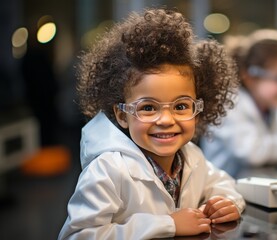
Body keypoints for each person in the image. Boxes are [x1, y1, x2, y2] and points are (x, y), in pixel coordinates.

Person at [58, 8, 245, 239]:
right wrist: (167, 224)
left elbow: (223, 183)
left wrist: (226, 202)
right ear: (122, 116)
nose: (166, 120)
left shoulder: (190, 156)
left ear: (197, 110)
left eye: (180, 106)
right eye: (148, 108)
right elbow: (78, 235)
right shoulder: (108, 170)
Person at [200, 29, 277, 178]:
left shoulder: (267, 107)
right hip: (223, 193)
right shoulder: (230, 104)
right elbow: (252, 152)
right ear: (250, 76)